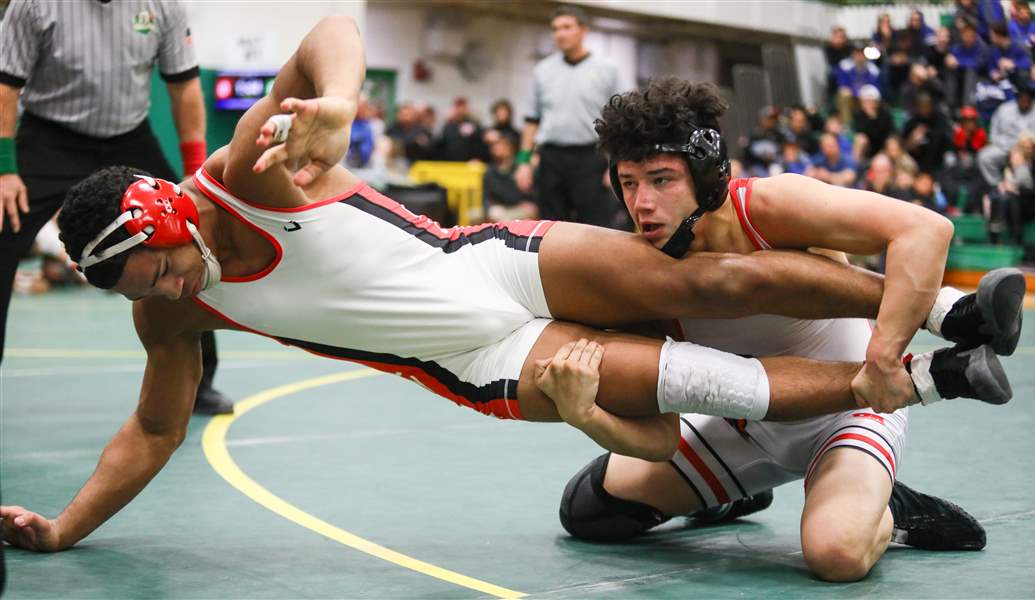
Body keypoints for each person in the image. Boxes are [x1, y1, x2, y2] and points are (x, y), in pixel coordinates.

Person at [0, 18, 1020, 553]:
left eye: (165, 267)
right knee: (699, 379)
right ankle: (937, 378)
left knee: (705, 276)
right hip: (480, 361)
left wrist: (339, 102)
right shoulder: (166, 315)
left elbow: (325, 32)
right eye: (149, 287)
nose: (174, 291)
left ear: (173, 221)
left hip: (483, 257)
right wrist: (64, 528)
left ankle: (945, 312)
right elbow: (152, 431)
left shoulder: (242, 176)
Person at [540, 78, 1000, 581]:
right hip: (742, 423)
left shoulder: (767, 208)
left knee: (836, 555)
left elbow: (926, 229)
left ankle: (889, 514)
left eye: (661, 179)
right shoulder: (637, 268)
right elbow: (660, 436)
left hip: (846, 413)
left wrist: (884, 360)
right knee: (588, 511)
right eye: (629, 183)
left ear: (707, 175)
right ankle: (732, 497)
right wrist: (585, 414)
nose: (642, 203)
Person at [0, 0, 231, 414]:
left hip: (129, 136)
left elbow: (184, 88)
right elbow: (6, 87)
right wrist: (4, 169)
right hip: (50, 137)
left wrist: (196, 175)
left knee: (185, 239)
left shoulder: (162, 6)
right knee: (3, 230)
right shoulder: (32, 5)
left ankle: (201, 382)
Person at [514, 5, 626, 229]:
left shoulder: (608, 69)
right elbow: (531, 120)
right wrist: (523, 163)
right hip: (551, 158)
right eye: (555, 29)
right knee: (550, 227)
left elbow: (621, 121)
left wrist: (617, 163)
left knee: (594, 227)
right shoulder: (542, 70)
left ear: (583, 30)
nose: (560, 34)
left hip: (590, 158)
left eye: (567, 27)